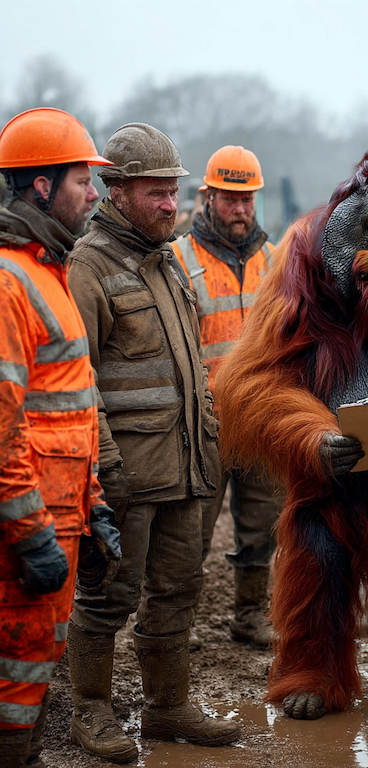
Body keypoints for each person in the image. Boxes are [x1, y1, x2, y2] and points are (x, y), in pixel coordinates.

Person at [66, 123, 240, 762]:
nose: (173, 203)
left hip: (187, 466)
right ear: (116, 190)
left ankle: (167, 708)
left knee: (178, 590)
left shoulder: (167, 261)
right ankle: (91, 710)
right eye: (157, 193)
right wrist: (106, 469)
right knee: (109, 594)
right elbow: (74, 380)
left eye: (174, 191)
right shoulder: (87, 267)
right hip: (128, 475)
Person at [0, 108, 120, 768]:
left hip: (60, 516)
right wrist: (30, 532)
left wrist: (92, 507)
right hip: (25, 529)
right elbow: (3, 428)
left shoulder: (50, 270)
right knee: (14, 674)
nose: (95, 194)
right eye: (83, 180)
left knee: (40, 659)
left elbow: (71, 411)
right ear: (41, 186)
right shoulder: (9, 280)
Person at [171, 145, 280, 649]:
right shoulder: (177, 259)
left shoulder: (277, 261)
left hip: (260, 421)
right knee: (191, 530)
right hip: (203, 423)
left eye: (248, 198)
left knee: (263, 526)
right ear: (209, 196)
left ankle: (249, 615)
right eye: (231, 197)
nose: (241, 208)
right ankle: (177, 620)